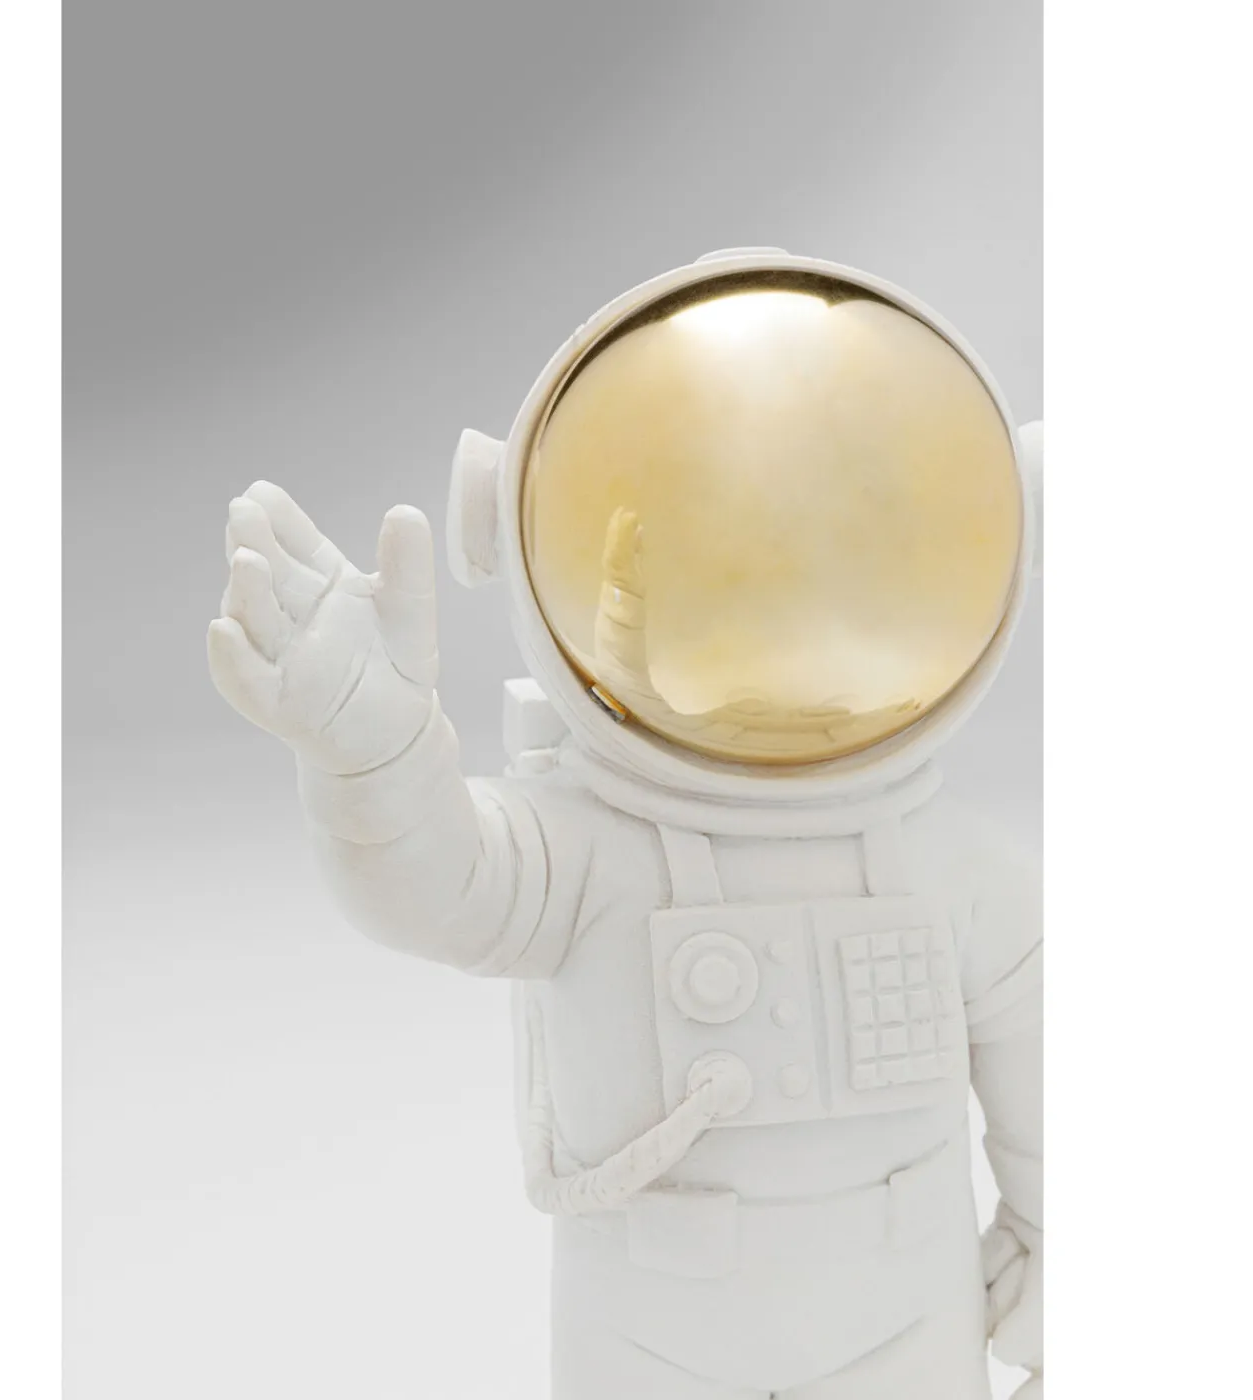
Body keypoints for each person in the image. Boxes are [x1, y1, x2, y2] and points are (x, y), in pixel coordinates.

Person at [207, 250, 1043, 1399]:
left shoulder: (954, 869)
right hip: (651, 1330)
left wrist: (1052, 1236)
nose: (771, 596)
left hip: (902, 1316)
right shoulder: (584, 849)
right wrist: (376, 758)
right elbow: (435, 887)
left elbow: (1048, 1073)